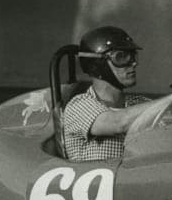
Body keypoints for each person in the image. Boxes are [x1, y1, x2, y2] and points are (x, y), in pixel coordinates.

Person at [61, 25, 163, 161]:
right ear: (98, 64)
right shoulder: (79, 106)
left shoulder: (141, 103)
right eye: (121, 57)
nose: (133, 63)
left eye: (133, 56)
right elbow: (119, 123)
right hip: (99, 181)